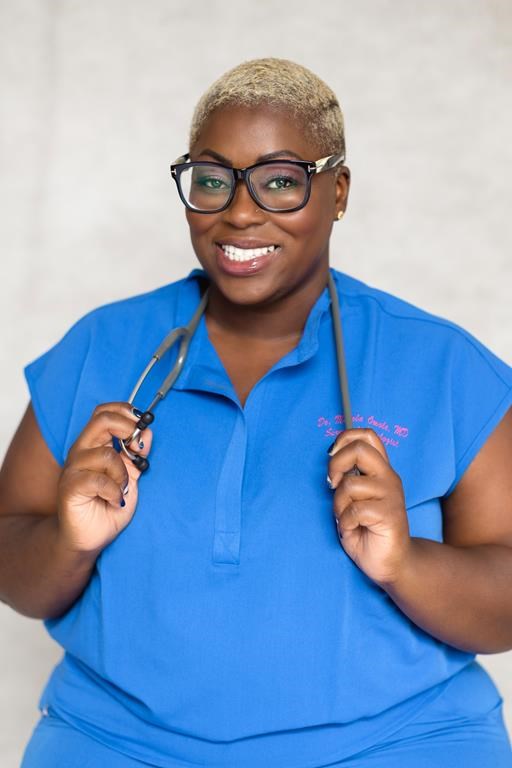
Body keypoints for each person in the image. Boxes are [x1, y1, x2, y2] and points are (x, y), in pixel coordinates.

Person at [1, 57, 511, 768]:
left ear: (337, 192)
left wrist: (405, 561)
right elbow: (10, 556)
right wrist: (69, 540)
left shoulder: (445, 367)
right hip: (120, 743)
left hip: (396, 744)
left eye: (279, 181)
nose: (239, 212)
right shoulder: (101, 349)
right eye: (212, 180)